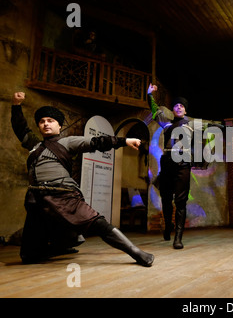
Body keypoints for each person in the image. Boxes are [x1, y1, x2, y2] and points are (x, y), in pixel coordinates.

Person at [11, 92, 154, 267]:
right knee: (28, 256)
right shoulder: (34, 145)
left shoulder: (68, 142)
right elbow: (20, 128)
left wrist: (125, 141)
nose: (46, 124)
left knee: (97, 223)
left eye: (50, 120)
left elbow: (96, 141)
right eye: (42, 121)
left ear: (59, 125)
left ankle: (136, 252)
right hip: (37, 201)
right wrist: (16, 105)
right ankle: (62, 245)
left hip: (64, 195)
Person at [147, 84, 193, 249]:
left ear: (185, 110)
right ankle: (168, 226)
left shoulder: (191, 125)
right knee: (166, 198)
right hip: (167, 164)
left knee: (181, 201)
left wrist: (230, 129)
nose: (179, 107)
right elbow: (154, 111)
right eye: (176, 105)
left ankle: (178, 237)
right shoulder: (166, 124)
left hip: (183, 165)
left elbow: (212, 128)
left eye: (182, 105)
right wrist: (149, 95)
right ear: (173, 110)